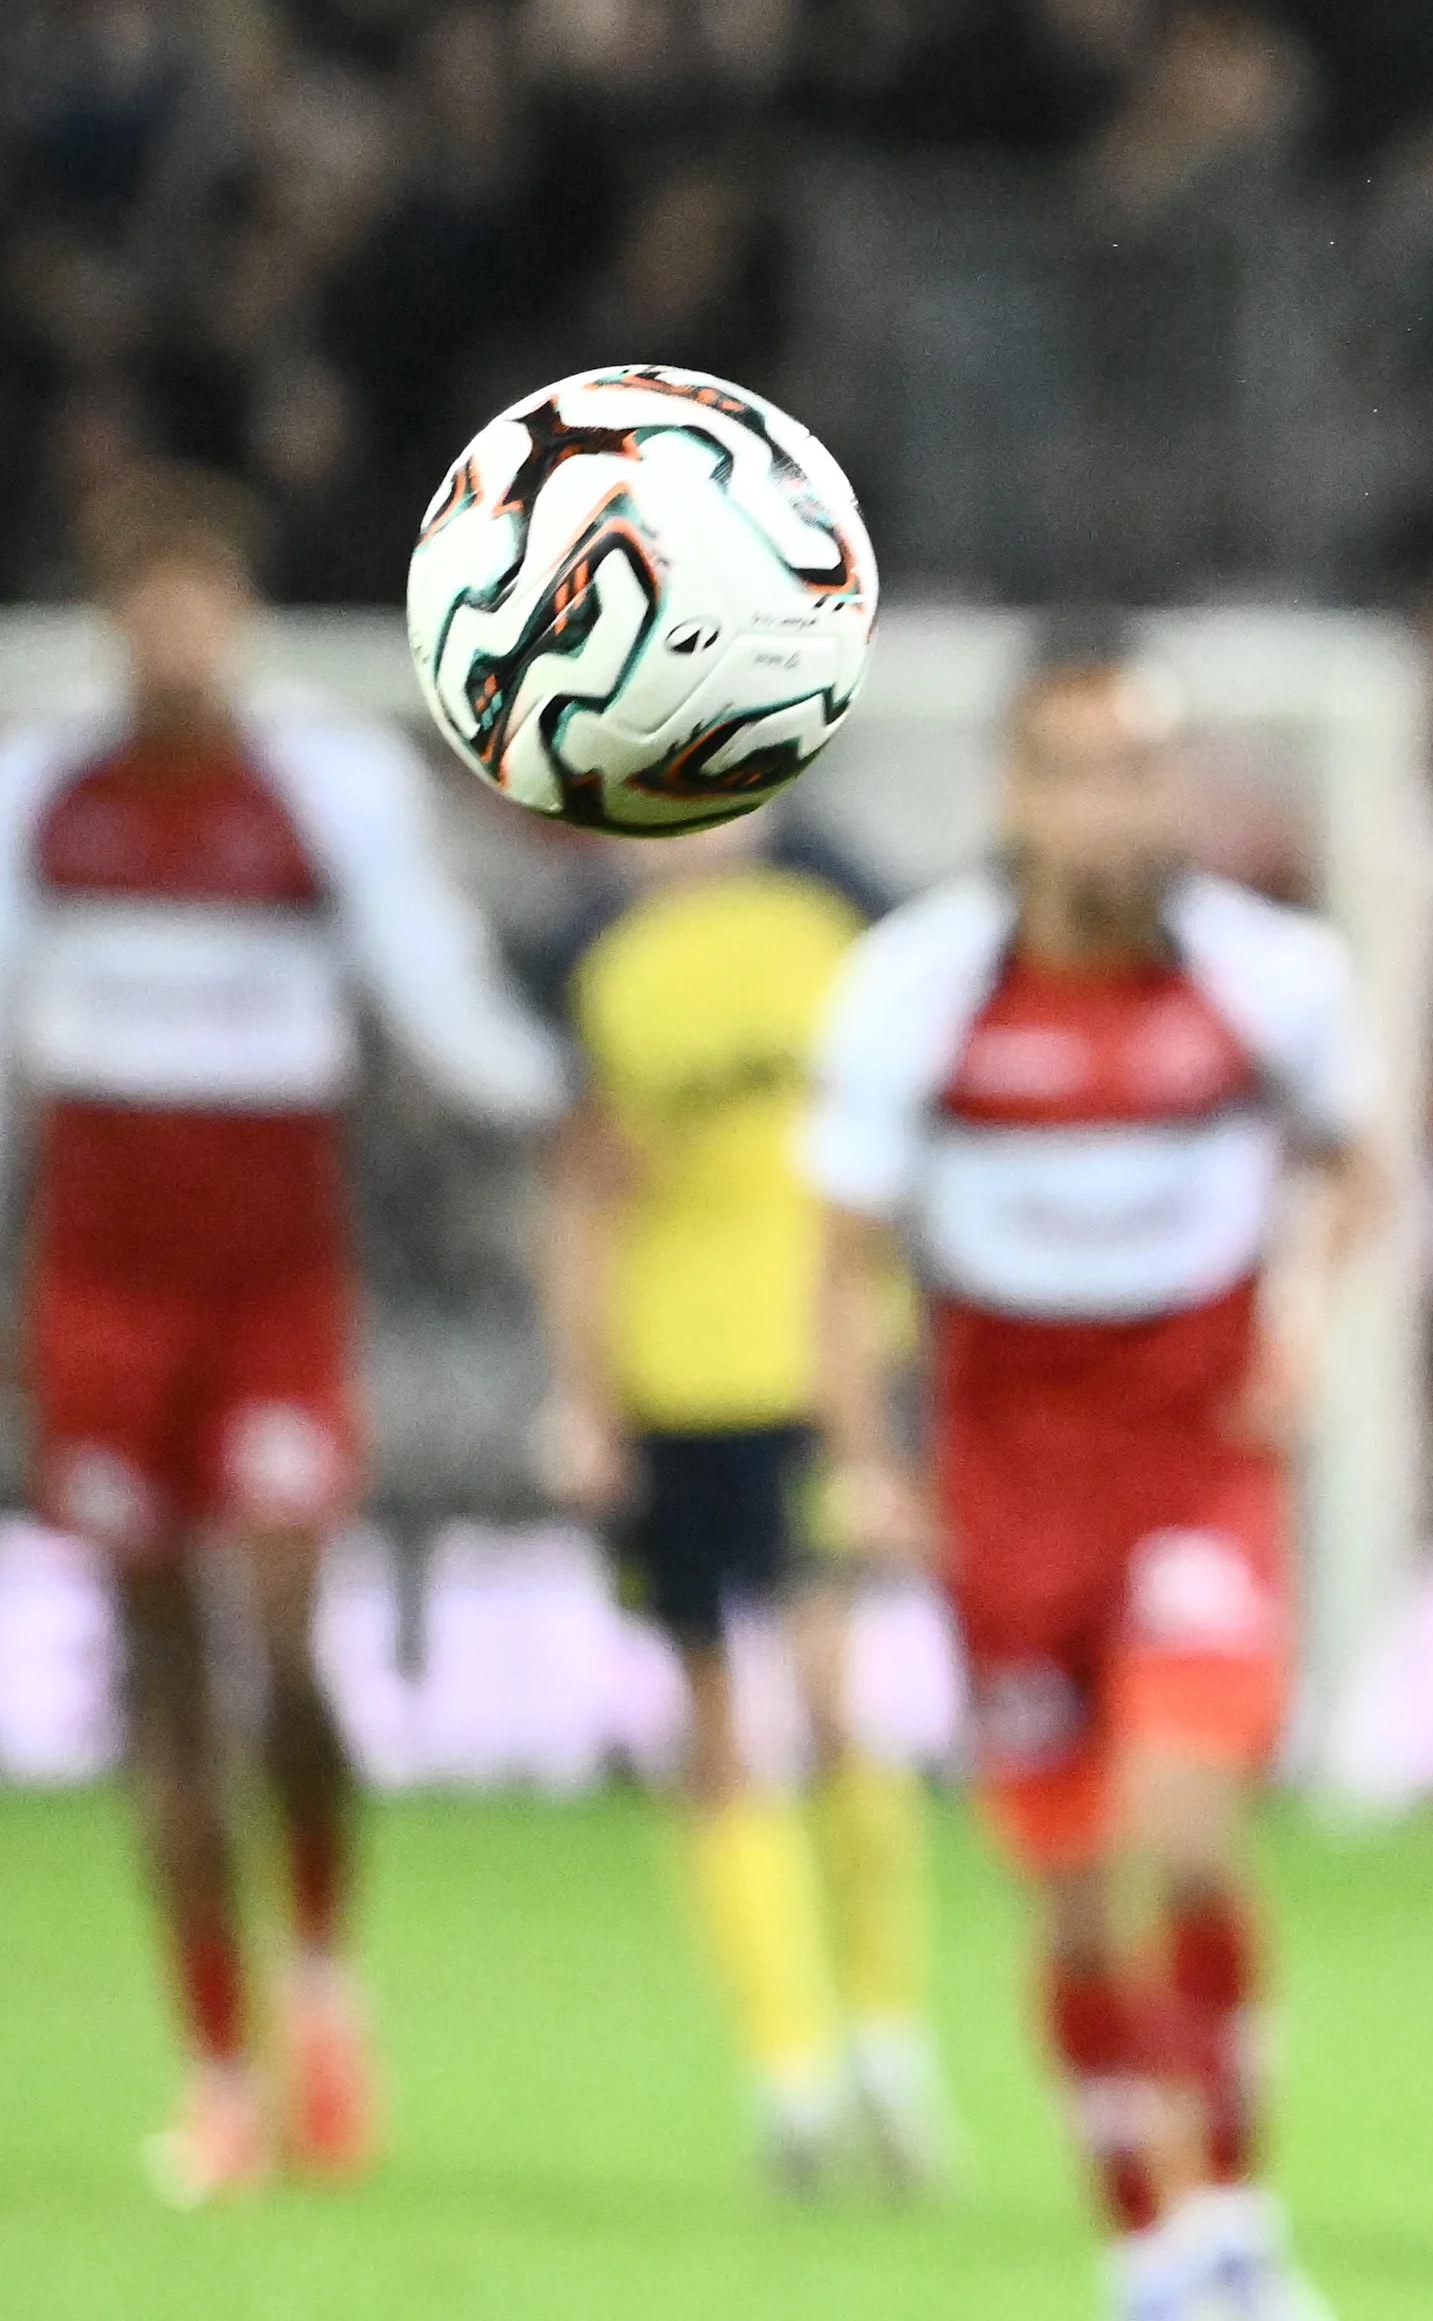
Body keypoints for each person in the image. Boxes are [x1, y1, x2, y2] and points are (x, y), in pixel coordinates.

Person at [0, 469, 565, 2200]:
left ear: (237, 618)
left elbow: (435, 996)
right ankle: (217, 2065)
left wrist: (559, 1097)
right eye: (149, 603)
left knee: (285, 1638)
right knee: (159, 1668)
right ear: (115, 624)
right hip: (100, 1296)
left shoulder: (324, 789)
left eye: (203, 601)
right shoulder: (43, 796)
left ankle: (321, 1972)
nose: (178, 634)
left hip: (272, 1295)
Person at [803, 654, 1375, 2321]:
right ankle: (1142, 2245)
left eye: (1136, 770)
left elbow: (1353, 1163)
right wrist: (863, 1461)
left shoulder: (1273, 976)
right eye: (1072, 770)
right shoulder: (912, 991)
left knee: (1180, 1833)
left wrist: (1300, 1320)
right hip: (1007, 1490)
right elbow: (840, 1257)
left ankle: (1240, 2225)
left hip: (1195, 1464)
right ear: (1014, 794)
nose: (1107, 807)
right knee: (1064, 1891)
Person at [536, 804, 950, 2192]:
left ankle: (888, 2040)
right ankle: (792, 2074)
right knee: (716, 1724)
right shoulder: (604, 975)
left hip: (815, 1371)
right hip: (673, 1378)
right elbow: (581, 1201)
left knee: (832, 1699)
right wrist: (585, 1398)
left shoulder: (835, 939)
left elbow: (890, 1164)